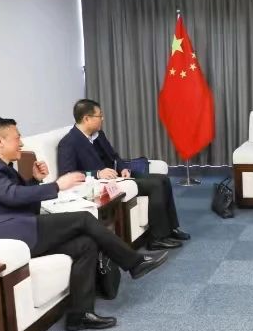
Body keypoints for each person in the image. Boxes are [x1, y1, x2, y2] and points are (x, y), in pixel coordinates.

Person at [0, 117, 169, 331]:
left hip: (19, 227)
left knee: (85, 244)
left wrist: (35, 179)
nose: (22, 143)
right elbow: (11, 195)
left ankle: (80, 315)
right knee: (83, 219)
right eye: (17, 138)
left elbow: (12, 197)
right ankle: (134, 262)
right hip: (7, 235)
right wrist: (56, 185)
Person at [57, 99, 190, 251]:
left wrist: (123, 167)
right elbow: (67, 174)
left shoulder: (98, 135)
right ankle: (157, 238)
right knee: (155, 185)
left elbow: (114, 156)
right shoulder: (69, 142)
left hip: (118, 176)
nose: (102, 119)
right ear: (87, 118)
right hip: (102, 184)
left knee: (163, 179)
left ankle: (170, 229)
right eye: (99, 116)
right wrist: (97, 173)